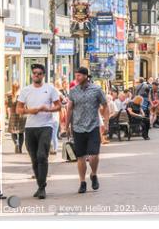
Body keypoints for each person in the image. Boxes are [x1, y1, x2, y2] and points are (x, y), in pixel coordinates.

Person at [16, 65, 61, 199]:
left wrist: (48, 109)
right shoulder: (25, 90)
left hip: (46, 126)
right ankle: (40, 184)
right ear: (32, 75)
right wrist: (31, 111)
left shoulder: (50, 89)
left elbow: (58, 106)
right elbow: (18, 109)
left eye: (39, 73)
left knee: (42, 155)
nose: (37, 75)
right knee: (34, 159)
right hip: (30, 127)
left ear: (43, 75)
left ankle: (42, 188)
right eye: (35, 73)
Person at [65, 67, 109, 194]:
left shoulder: (96, 89)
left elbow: (105, 105)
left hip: (93, 126)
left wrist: (106, 123)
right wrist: (66, 126)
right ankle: (82, 182)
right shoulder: (73, 91)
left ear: (85, 76)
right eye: (76, 75)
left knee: (94, 155)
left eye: (79, 75)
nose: (77, 78)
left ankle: (94, 174)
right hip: (78, 128)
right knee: (80, 157)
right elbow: (70, 109)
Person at [6, 81, 26, 154]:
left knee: (13, 131)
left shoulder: (9, 95)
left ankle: (16, 143)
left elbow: (9, 106)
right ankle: (20, 148)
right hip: (21, 115)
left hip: (13, 114)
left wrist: (8, 115)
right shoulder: (22, 94)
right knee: (21, 132)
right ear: (19, 87)